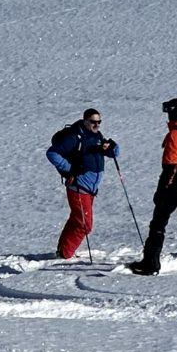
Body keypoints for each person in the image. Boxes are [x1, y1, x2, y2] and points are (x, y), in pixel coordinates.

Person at [129, 98, 177, 274]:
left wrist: (161, 189)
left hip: (176, 184)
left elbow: (170, 165)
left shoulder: (176, 134)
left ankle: (151, 263)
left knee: (159, 222)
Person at [46, 107, 117, 260]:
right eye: (93, 122)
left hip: (91, 188)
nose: (97, 125)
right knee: (85, 224)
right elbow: (51, 153)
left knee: (77, 219)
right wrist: (70, 168)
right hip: (78, 186)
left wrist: (112, 147)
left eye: (99, 122)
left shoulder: (97, 136)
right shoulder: (74, 137)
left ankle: (63, 251)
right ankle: (65, 255)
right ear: (85, 121)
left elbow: (113, 154)